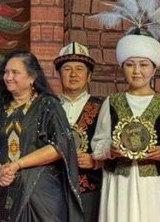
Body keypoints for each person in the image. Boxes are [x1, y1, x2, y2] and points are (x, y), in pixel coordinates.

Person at [0, 50, 83, 221]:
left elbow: (60, 146)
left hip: (40, 194)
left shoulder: (48, 104)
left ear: (32, 77)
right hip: (5, 190)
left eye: (15, 72)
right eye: (6, 72)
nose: (8, 77)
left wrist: (18, 164)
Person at [90, 32, 160, 222]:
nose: (136, 71)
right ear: (122, 67)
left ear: (154, 68)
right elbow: (97, 144)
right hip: (120, 183)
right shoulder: (111, 102)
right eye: (130, 64)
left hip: (157, 185)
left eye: (144, 65)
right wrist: (110, 150)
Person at [54, 42, 104, 222]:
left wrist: (96, 161)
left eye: (80, 69)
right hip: (52, 189)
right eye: (67, 69)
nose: (73, 74)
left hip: (89, 189)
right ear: (59, 75)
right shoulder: (48, 106)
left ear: (89, 76)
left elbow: (114, 147)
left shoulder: (103, 107)